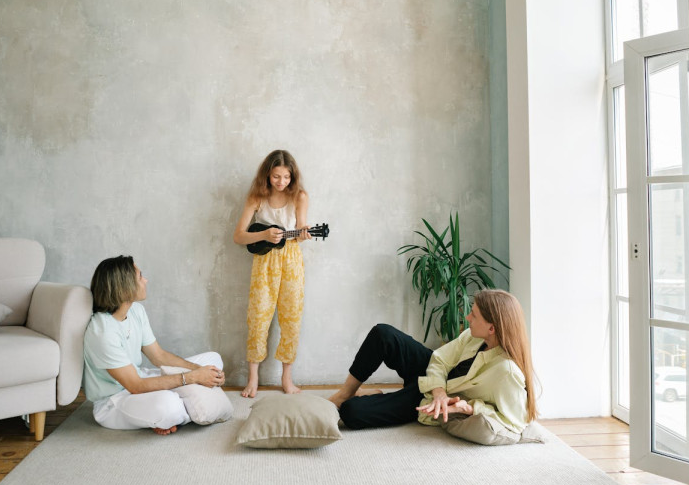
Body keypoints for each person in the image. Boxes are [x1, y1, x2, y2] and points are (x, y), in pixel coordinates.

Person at [328, 289, 537, 438]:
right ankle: (345, 392)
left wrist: (472, 407)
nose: (467, 317)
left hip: (425, 398)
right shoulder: (474, 336)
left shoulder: (506, 372)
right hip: (432, 379)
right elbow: (439, 359)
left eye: (474, 315)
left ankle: (370, 398)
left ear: (492, 328)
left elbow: (517, 421)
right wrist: (439, 391)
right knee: (383, 334)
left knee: (351, 414)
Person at [82, 255, 226, 435]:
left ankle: (175, 413)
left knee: (213, 359)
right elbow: (135, 386)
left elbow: (159, 356)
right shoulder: (102, 332)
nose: (146, 280)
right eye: (140, 276)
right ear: (125, 286)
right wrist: (194, 377)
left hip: (141, 379)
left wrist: (200, 369)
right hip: (114, 401)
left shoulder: (136, 311)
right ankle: (173, 412)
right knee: (169, 406)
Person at [233, 150, 312, 398]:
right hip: (264, 262)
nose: (281, 182)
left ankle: (286, 378)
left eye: (286, 177)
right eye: (276, 176)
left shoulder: (299, 196)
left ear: (292, 176)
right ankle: (253, 378)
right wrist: (264, 235)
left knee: (291, 318)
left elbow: (299, 230)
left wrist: (303, 233)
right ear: (267, 175)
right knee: (258, 318)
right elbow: (238, 236)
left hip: (291, 260)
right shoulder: (257, 197)